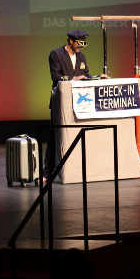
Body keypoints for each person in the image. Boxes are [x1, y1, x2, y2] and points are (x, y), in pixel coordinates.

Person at [45, 30, 108, 179]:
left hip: (78, 102)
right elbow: (55, 76)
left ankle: (77, 171)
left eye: (84, 44)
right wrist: (72, 79)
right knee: (55, 136)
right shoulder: (56, 54)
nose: (81, 47)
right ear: (71, 41)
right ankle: (47, 172)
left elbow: (85, 76)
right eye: (79, 43)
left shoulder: (81, 56)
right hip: (61, 101)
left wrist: (98, 77)